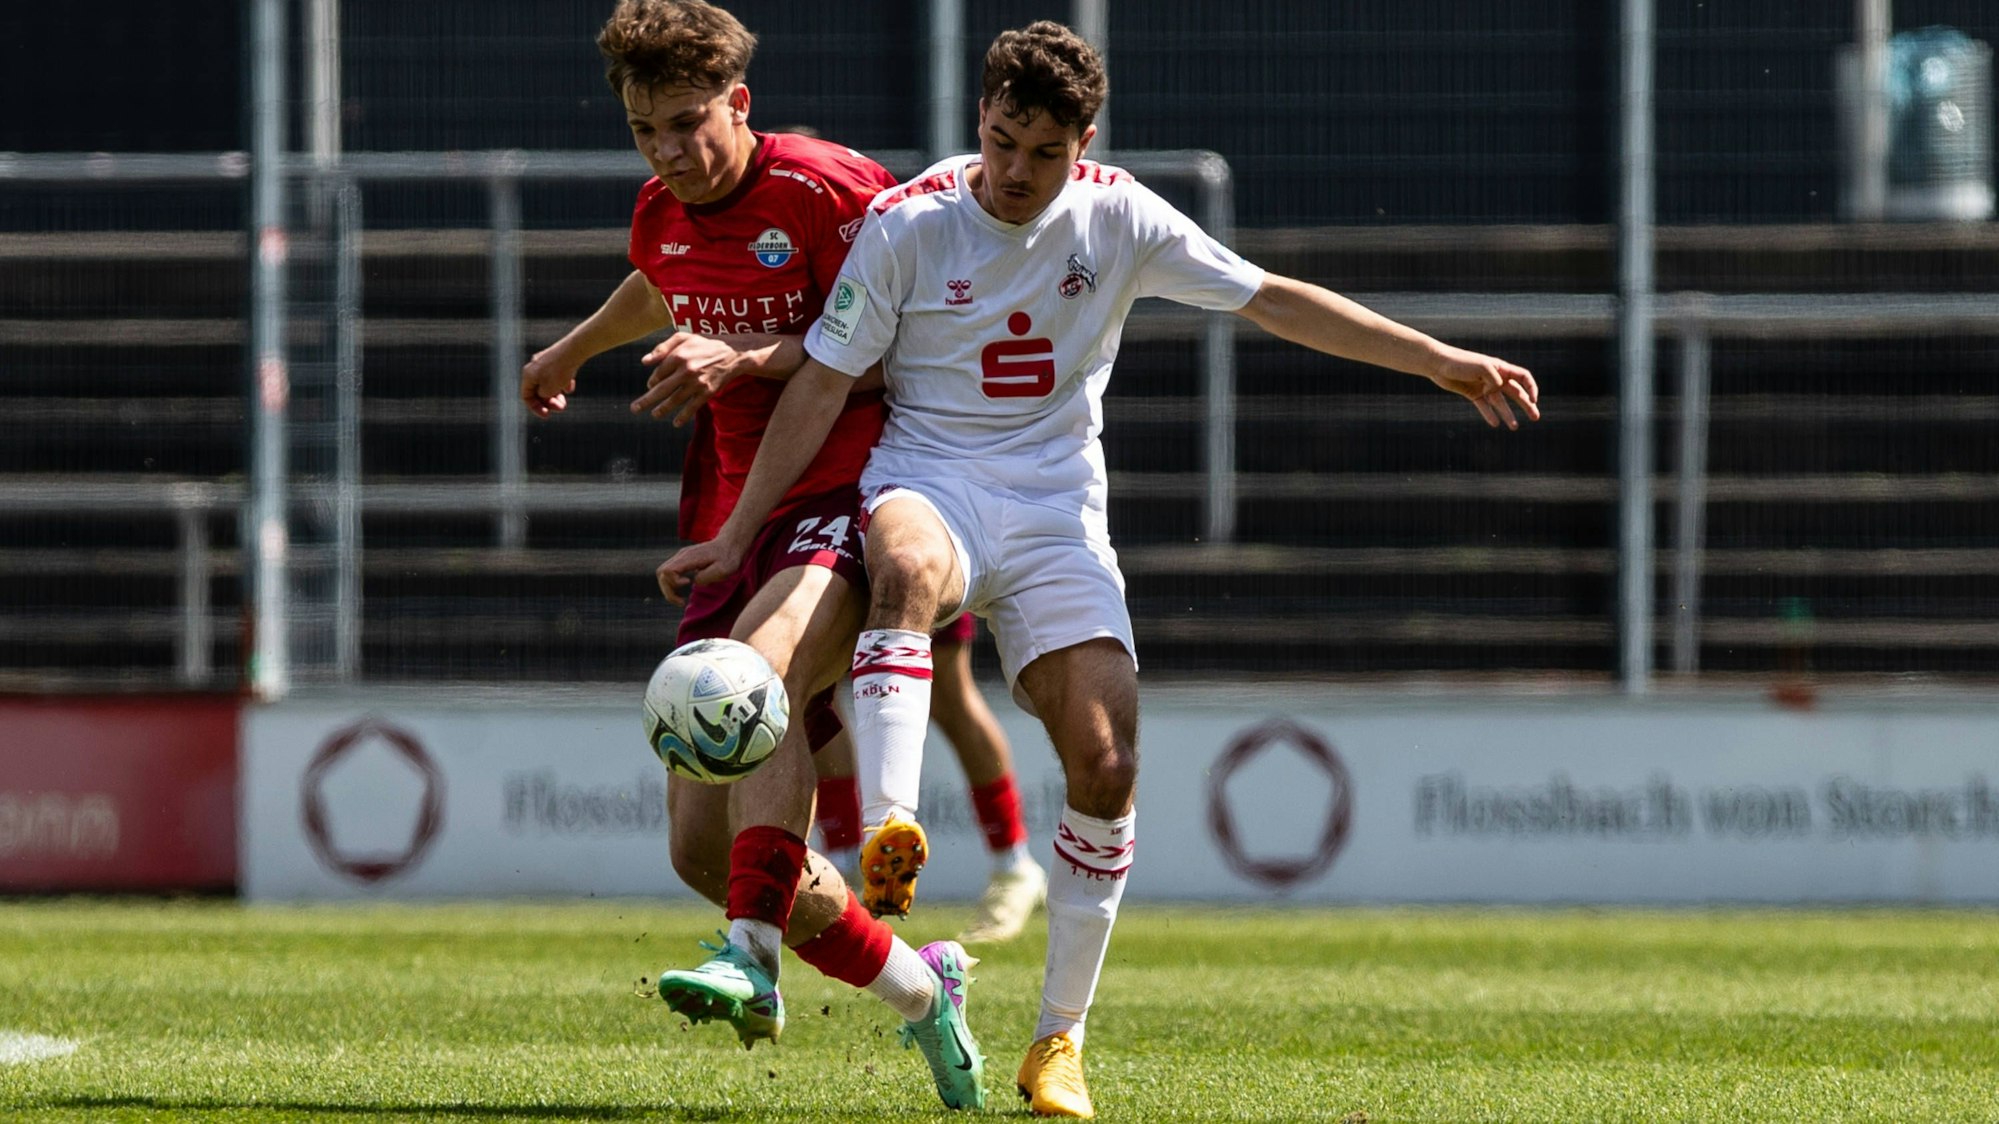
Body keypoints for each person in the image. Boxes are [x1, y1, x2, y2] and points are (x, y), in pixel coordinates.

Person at [658, 20, 1539, 1118]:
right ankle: (891, 824)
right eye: (998, 141)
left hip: (1054, 511)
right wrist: (738, 534)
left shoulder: (1119, 214)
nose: (1014, 172)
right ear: (977, 120)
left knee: (1109, 759)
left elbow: (1268, 297)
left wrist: (1438, 359)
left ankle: (1055, 1041)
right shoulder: (909, 221)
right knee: (904, 566)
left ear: (1085, 140)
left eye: (1040, 151)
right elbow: (822, 385)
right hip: (928, 474)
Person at [520, 0, 984, 1109]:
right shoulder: (658, 208)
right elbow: (663, 273)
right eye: (645, 133)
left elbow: (903, 343)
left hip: (852, 491)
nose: (670, 154)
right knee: (699, 842)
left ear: (740, 102)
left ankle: (751, 956)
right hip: (744, 509)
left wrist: (739, 355)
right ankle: (923, 993)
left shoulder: (831, 189)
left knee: (748, 681)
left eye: (688, 125)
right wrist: (573, 346)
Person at [813, 613, 1049, 945]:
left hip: (910, 564)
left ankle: (1014, 867)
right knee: (815, 689)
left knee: (948, 693)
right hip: (827, 564)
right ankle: (844, 870)